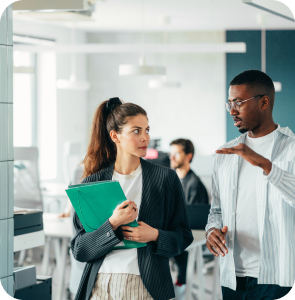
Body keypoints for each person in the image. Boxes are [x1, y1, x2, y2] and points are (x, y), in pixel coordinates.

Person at [71, 97, 193, 300]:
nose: (145, 137)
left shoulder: (165, 179)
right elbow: (79, 250)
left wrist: (154, 235)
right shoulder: (90, 184)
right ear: (115, 136)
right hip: (99, 286)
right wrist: (112, 224)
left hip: (146, 285)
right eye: (136, 131)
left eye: (147, 130)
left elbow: (183, 236)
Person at [206, 70, 294, 300]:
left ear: (264, 102)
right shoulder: (226, 152)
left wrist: (266, 165)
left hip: (279, 278)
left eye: (239, 102)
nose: (232, 111)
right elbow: (216, 209)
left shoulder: (292, 148)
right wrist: (211, 231)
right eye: (229, 103)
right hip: (233, 278)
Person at [169, 138, 209, 298]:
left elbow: (194, 221)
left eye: (176, 153)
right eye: (170, 153)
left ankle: (180, 284)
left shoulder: (195, 184)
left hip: (189, 239)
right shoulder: (172, 180)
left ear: (188, 156)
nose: (171, 157)